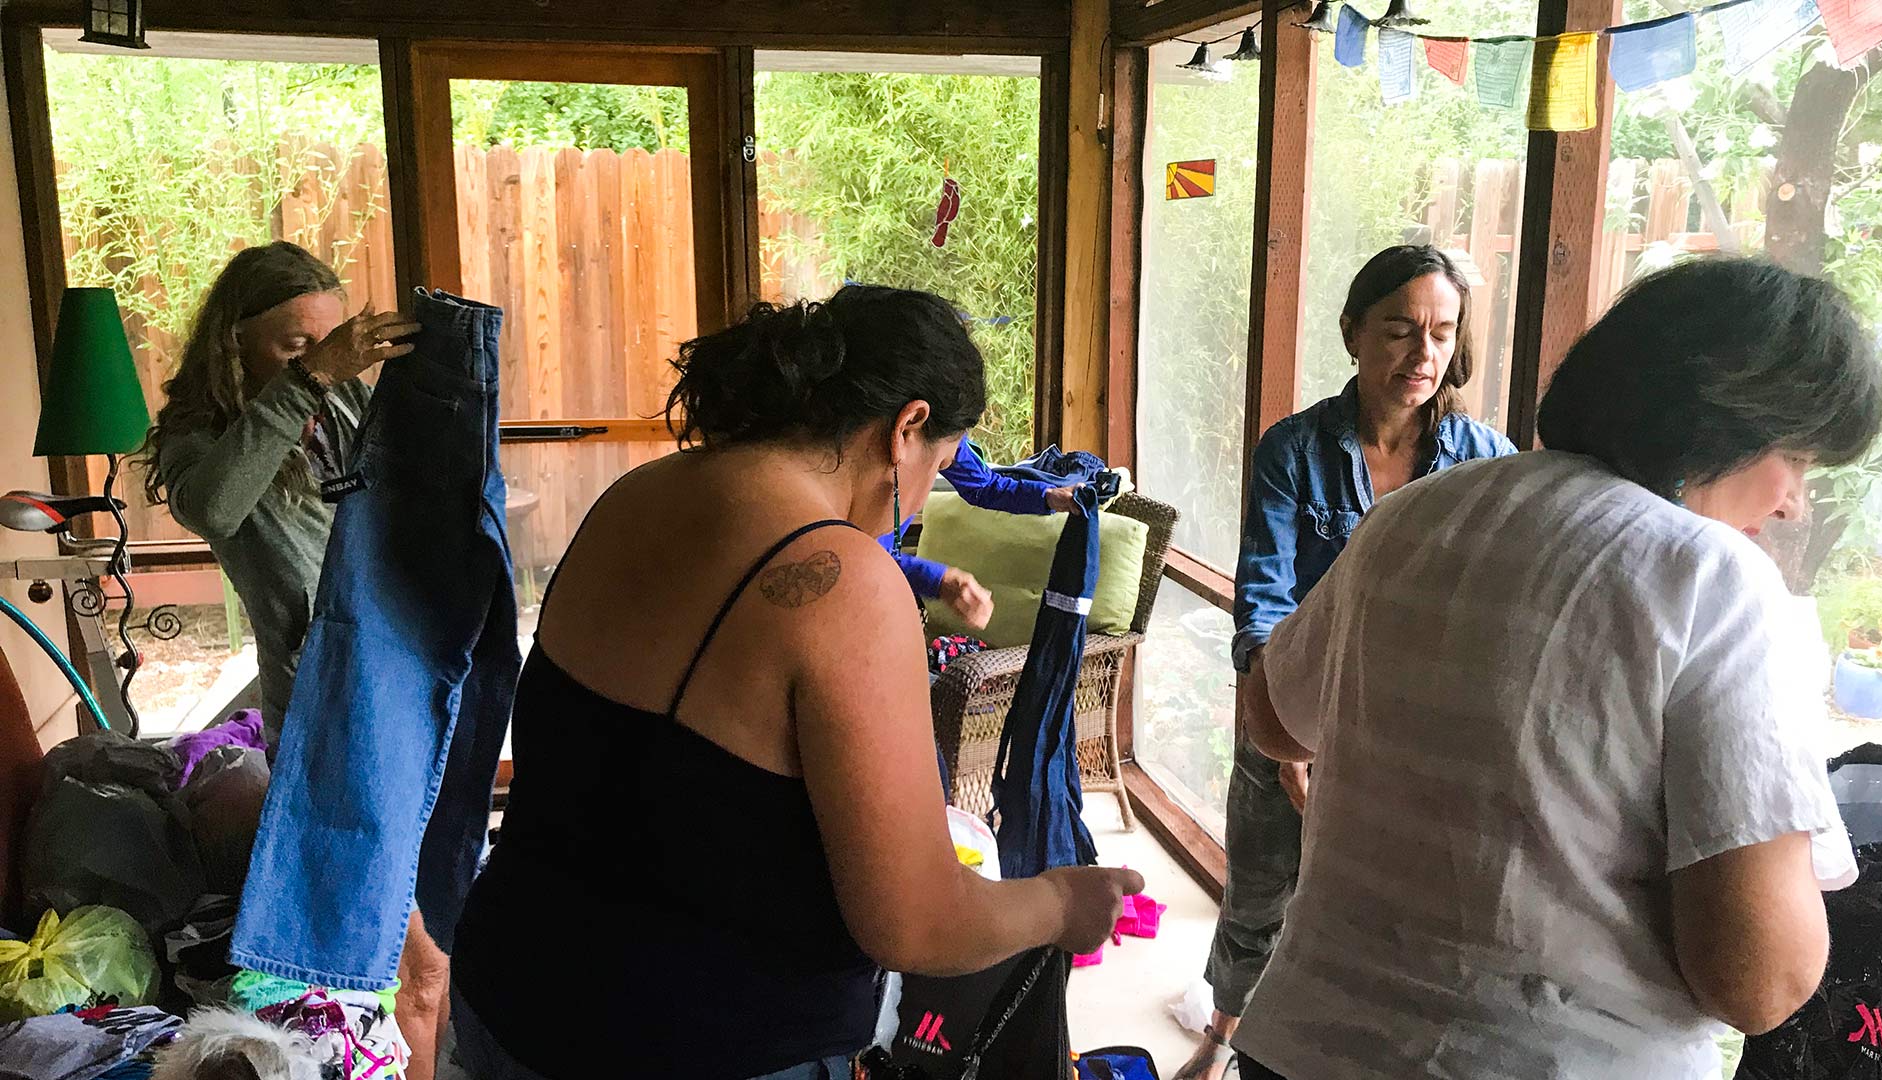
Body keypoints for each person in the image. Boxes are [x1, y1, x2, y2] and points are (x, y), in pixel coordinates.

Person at [450, 285, 1144, 1079]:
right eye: (940, 468)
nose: (919, 503)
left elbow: (670, 784)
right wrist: (1060, 903)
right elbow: (917, 923)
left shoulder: (637, 494)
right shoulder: (844, 581)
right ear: (906, 427)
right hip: (687, 1043)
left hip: (505, 995)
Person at [1232, 256, 1882, 1079]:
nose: (1793, 501)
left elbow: (1272, 716)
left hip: (1301, 1049)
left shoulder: (1413, 513)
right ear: (1724, 428)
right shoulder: (1713, 579)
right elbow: (1759, 981)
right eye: (1797, 460)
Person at [1174, 245, 1516, 1080]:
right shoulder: (1293, 450)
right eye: (1400, 330)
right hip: (1291, 702)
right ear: (1353, 333)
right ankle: (1226, 1033)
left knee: (1389, 902)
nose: (1422, 354)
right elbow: (1262, 601)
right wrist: (1293, 734)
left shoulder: (1485, 458)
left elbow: (1494, 610)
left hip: (1412, 730)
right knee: (1260, 890)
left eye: (1440, 334)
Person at [138, 241, 449, 1076]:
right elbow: (213, 505)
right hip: (323, 711)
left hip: (396, 688)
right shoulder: (202, 438)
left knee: (422, 946)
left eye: (329, 338)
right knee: (416, 965)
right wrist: (305, 382)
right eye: (294, 345)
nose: (323, 360)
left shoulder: (340, 407)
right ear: (232, 343)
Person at [880, 437, 1082, 630]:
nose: (953, 458)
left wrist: (1047, 496)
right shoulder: (865, 451)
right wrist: (939, 580)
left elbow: (984, 486)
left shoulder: (947, 432)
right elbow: (860, 556)